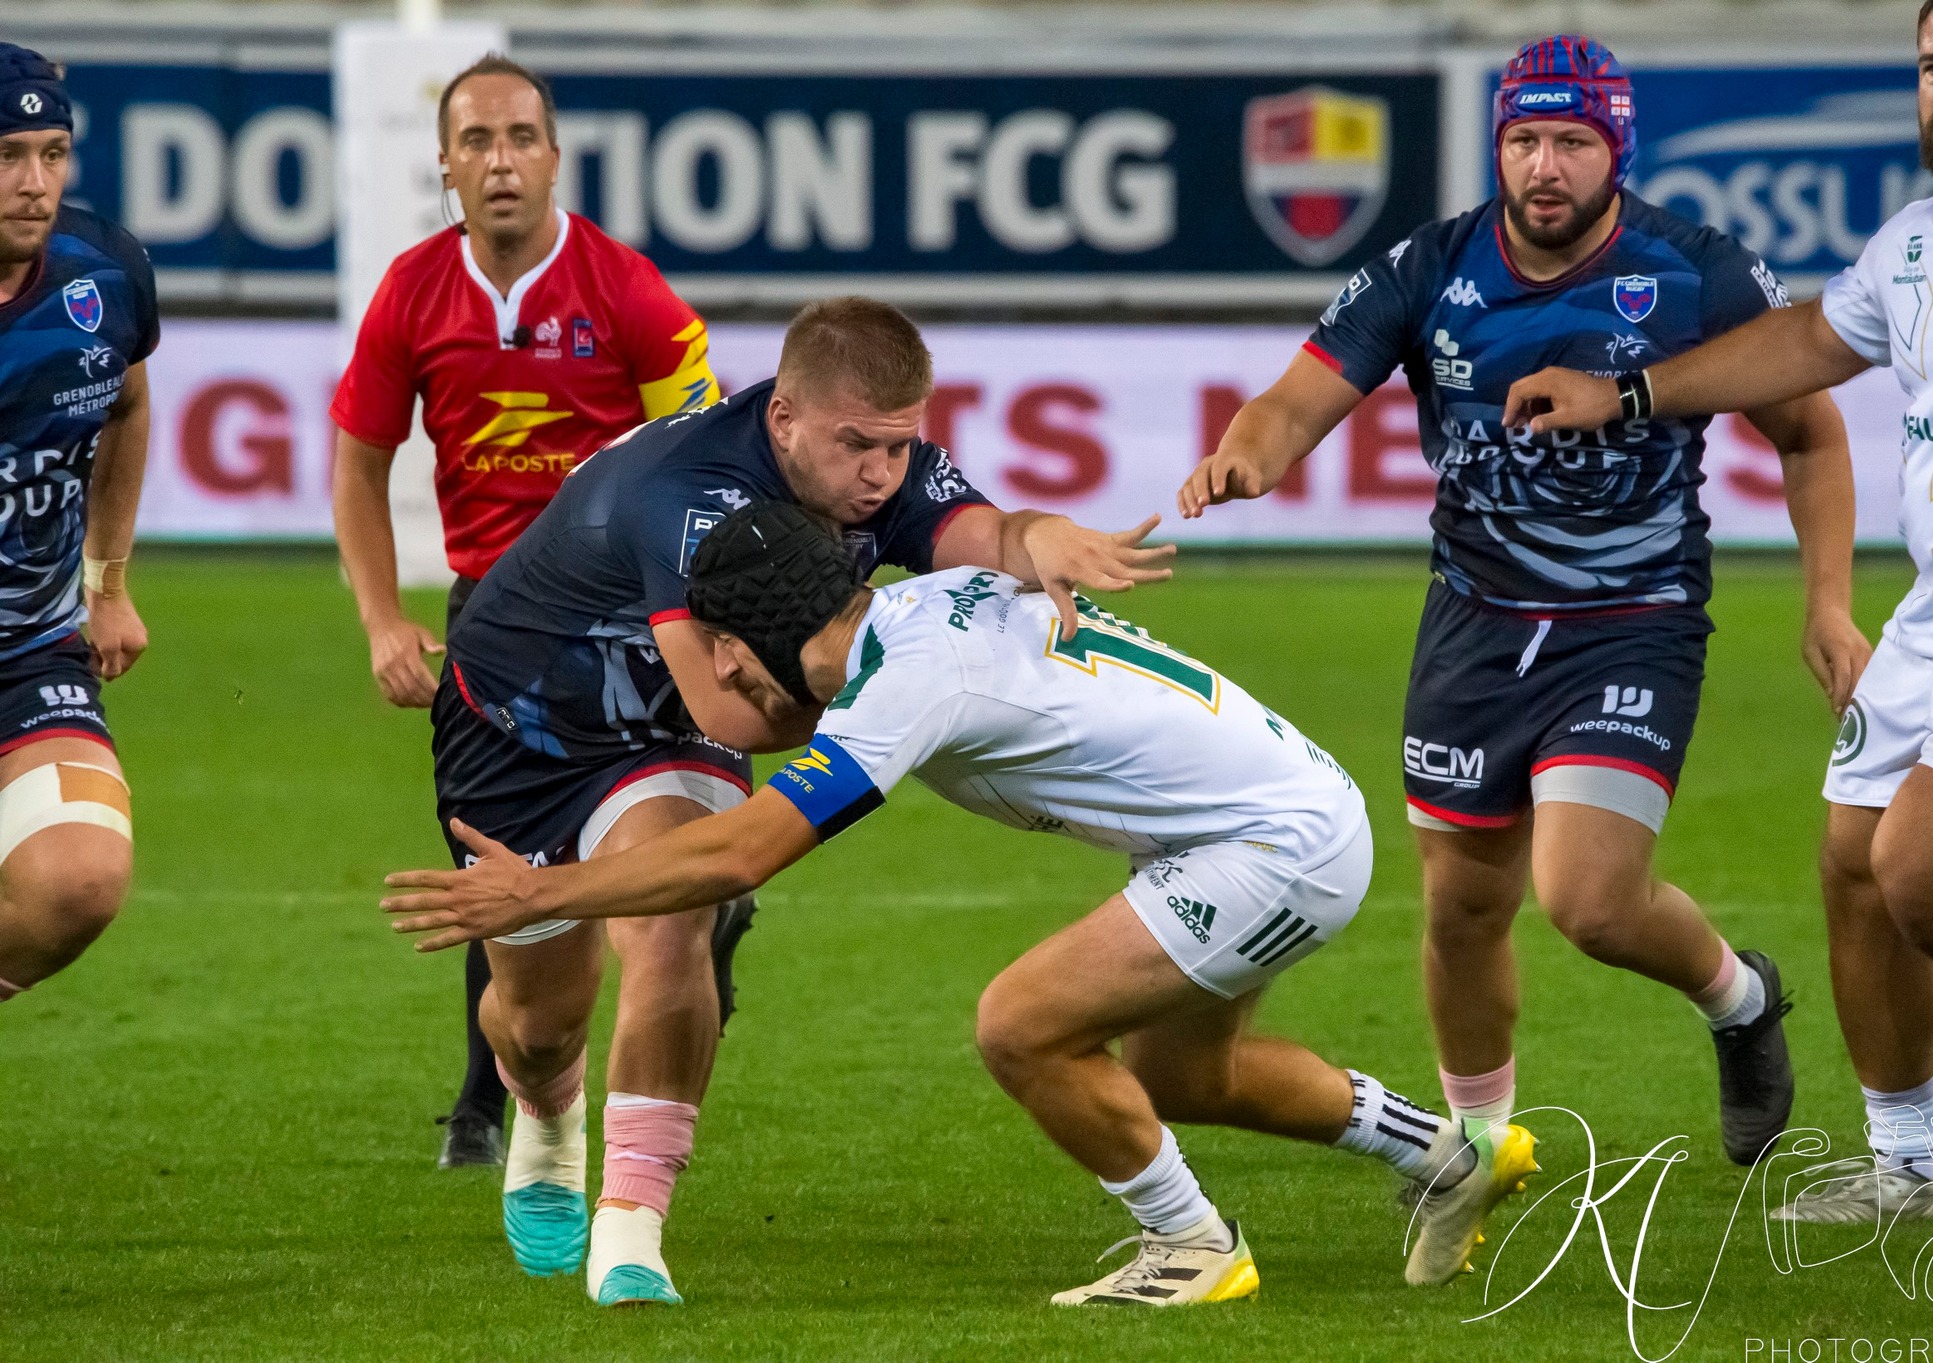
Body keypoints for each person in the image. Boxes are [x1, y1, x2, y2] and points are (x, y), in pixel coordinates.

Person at [382, 501, 1541, 1301]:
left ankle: (1187, 1243)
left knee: (1021, 1025)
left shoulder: (901, 690)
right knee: (1184, 1078)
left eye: (727, 653)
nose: (721, 682)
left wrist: (545, 891)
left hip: (1266, 846)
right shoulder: (926, 609)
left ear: (768, 638)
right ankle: (1446, 1155)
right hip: (1275, 813)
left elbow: (738, 856)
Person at [397, 296, 1177, 1306]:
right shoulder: (683, 493)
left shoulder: (873, 466)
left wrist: (1039, 537)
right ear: (784, 420)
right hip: (518, 728)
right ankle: (546, 1113)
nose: (880, 476)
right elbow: (729, 704)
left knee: (679, 916)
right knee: (538, 1022)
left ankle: (629, 1229)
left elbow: (975, 528)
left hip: (664, 732)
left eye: (898, 449)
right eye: (858, 446)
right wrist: (907, 708)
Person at [1179, 35, 1867, 1173]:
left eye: (1570, 141)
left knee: (1588, 901)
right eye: (1522, 140)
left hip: (1631, 618)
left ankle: (1739, 999)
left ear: (1615, 149)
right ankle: (1477, 1147)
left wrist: (1827, 605)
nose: (1543, 165)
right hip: (1474, 623)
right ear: (1496, 144)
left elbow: (1810, 430)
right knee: (1460, 908)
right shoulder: (1427, 265)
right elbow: (1291, 400)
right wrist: (1246, 455)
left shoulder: (1694, 270)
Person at [1503, 0, 1933, 1225]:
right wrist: (1628, 392)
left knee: (1922, 871)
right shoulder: (1914, 241)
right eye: (1928, 67)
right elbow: (1806, 338)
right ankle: (1912, 1169)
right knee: (1852, 867)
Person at [329, 54, 724, 1171]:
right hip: (494, 632)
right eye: (475, 143)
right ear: (446, 168)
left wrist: (696, 626)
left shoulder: (631, 294)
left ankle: (626, 1163)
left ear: (554, 157)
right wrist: (379, 618)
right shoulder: (412, 292)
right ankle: (494, 1098)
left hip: (635, 624)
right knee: (502, 874)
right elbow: (360, 469)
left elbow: (697, 469)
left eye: (520, 138)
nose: (500, 161)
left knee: (680, 899)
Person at [0, 46, 154, 1012]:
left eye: (53, 153)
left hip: (31, 644)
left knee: (82, 877)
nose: (34, 184)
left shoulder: (106, 272)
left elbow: (128, 407)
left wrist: (108, 580)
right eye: (9, 154)